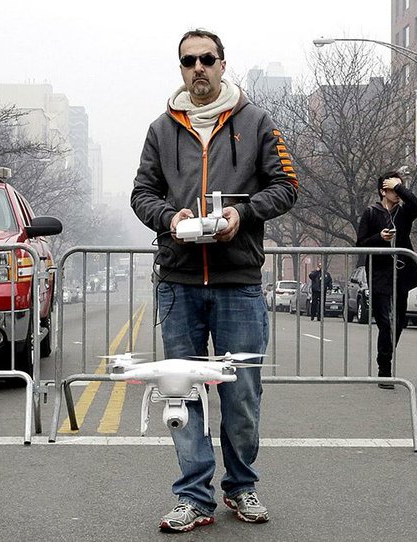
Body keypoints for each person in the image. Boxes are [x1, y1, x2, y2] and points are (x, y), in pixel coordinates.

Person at [131, 29, 298, 533]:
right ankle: (193, 496)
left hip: (238, 282)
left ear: (223, 64)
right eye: (188, 61)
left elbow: (286, 186)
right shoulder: (161, 129)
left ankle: (242, 488)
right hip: (179, 281)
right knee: (181, 395)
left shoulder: (257, 123)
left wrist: (241, 215)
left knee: (241, 394)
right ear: (180, 69)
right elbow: (141, 193)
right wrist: (169, 218)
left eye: (207, 59)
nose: (198, 68)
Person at [356, 170, 417, 390]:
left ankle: (386, 358)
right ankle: (384, 368)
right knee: (385, 321)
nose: (397, 194)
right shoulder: (371, 212)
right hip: (379, 273)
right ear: (382, 191)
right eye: (393, 190)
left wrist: (401, 187)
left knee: (399, 322)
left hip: (401, 274)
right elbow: (361, 244)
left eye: (398, 189)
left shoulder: (404, 213)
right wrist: (379, 238)